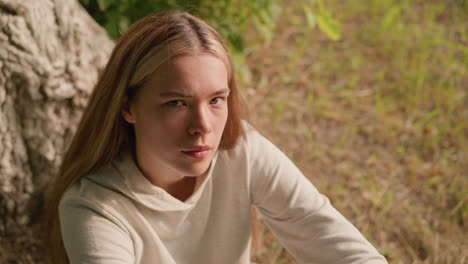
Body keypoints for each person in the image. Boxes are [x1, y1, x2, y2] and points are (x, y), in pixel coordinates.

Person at [44, 10, 388, 264]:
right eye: (176, 102)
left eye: (216, 100)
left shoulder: (241, 152)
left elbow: (333, 240)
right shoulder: (94, 209)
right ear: (128, 108)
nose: (203, 126)